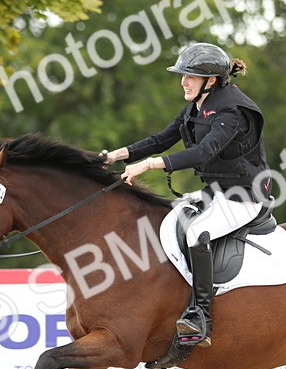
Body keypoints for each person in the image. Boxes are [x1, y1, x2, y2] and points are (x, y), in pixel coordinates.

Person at [99, 42, 270, 348]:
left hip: (244, 196)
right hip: (215, 191)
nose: (183, 81)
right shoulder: (196, 106)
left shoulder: (232, 111)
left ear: (211, 80)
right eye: (183, 75)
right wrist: (116, 155)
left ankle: (201, 316)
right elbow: (161, 139)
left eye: (189, 76)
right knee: (164, 221)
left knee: (198, 234)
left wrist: (148, 166)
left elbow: (204, 151)